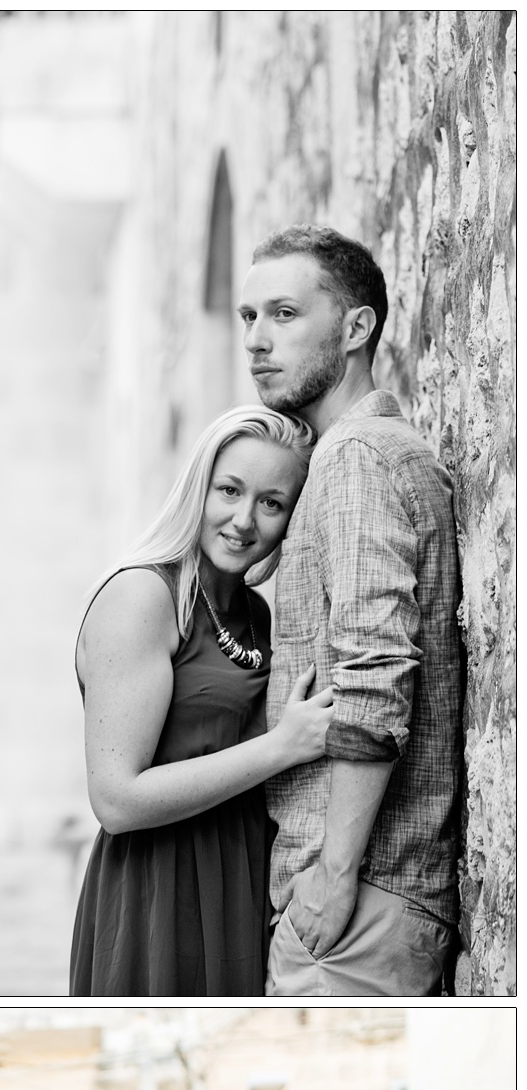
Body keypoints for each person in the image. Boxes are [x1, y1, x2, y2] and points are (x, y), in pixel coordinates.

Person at [240, 225, 464, 996]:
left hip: (356, 907)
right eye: (247, 319)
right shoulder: (340, 459)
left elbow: (376, 673)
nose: (258, 341)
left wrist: (333, 876)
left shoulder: (359, 458)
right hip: (362, 905)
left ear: (358, 326)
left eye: (284, 314)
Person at [70, 406, 334, 996]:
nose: (243, 521)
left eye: (271, 503)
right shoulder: (143, 596)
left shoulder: (256, 614)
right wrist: (282, 748)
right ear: (199, 488)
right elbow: (116, 799)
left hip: (240, 879)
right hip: (158, 889)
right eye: (229, 491)